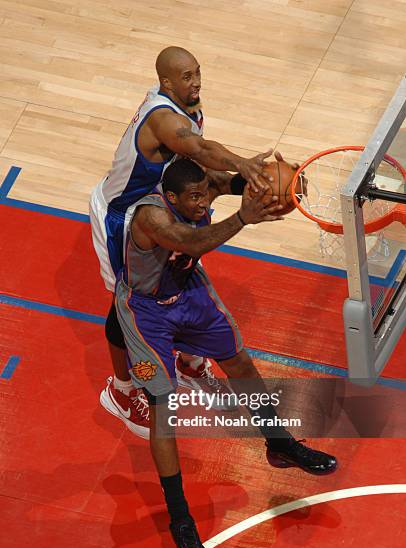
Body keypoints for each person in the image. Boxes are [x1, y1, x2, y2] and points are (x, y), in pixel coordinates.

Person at [115, 158, 337, 548]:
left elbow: (239, 181)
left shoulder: (203, 189)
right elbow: (192, 242)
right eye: (194, 198)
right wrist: (244, 217)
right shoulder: (152, 217)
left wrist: (284, 187)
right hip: (146, 313)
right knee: (165, 412)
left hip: (188, 294)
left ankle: (279, 443)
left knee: (241, 365)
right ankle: (181, 519)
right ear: (174, 197)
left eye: (205, 194)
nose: (202, 202)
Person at [89, 46, 278, 438]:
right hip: (124, 216)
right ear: (166, 83)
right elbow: (201, 149)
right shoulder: (161, 117)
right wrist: (244, 164)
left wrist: (258, 182)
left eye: (197, 73)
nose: (196, 82)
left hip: (166, 204)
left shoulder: (189, 106)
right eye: (187, 77)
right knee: (128, 304)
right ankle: (122, 391)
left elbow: (203, 167)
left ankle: (191, 363)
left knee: (185, 279)